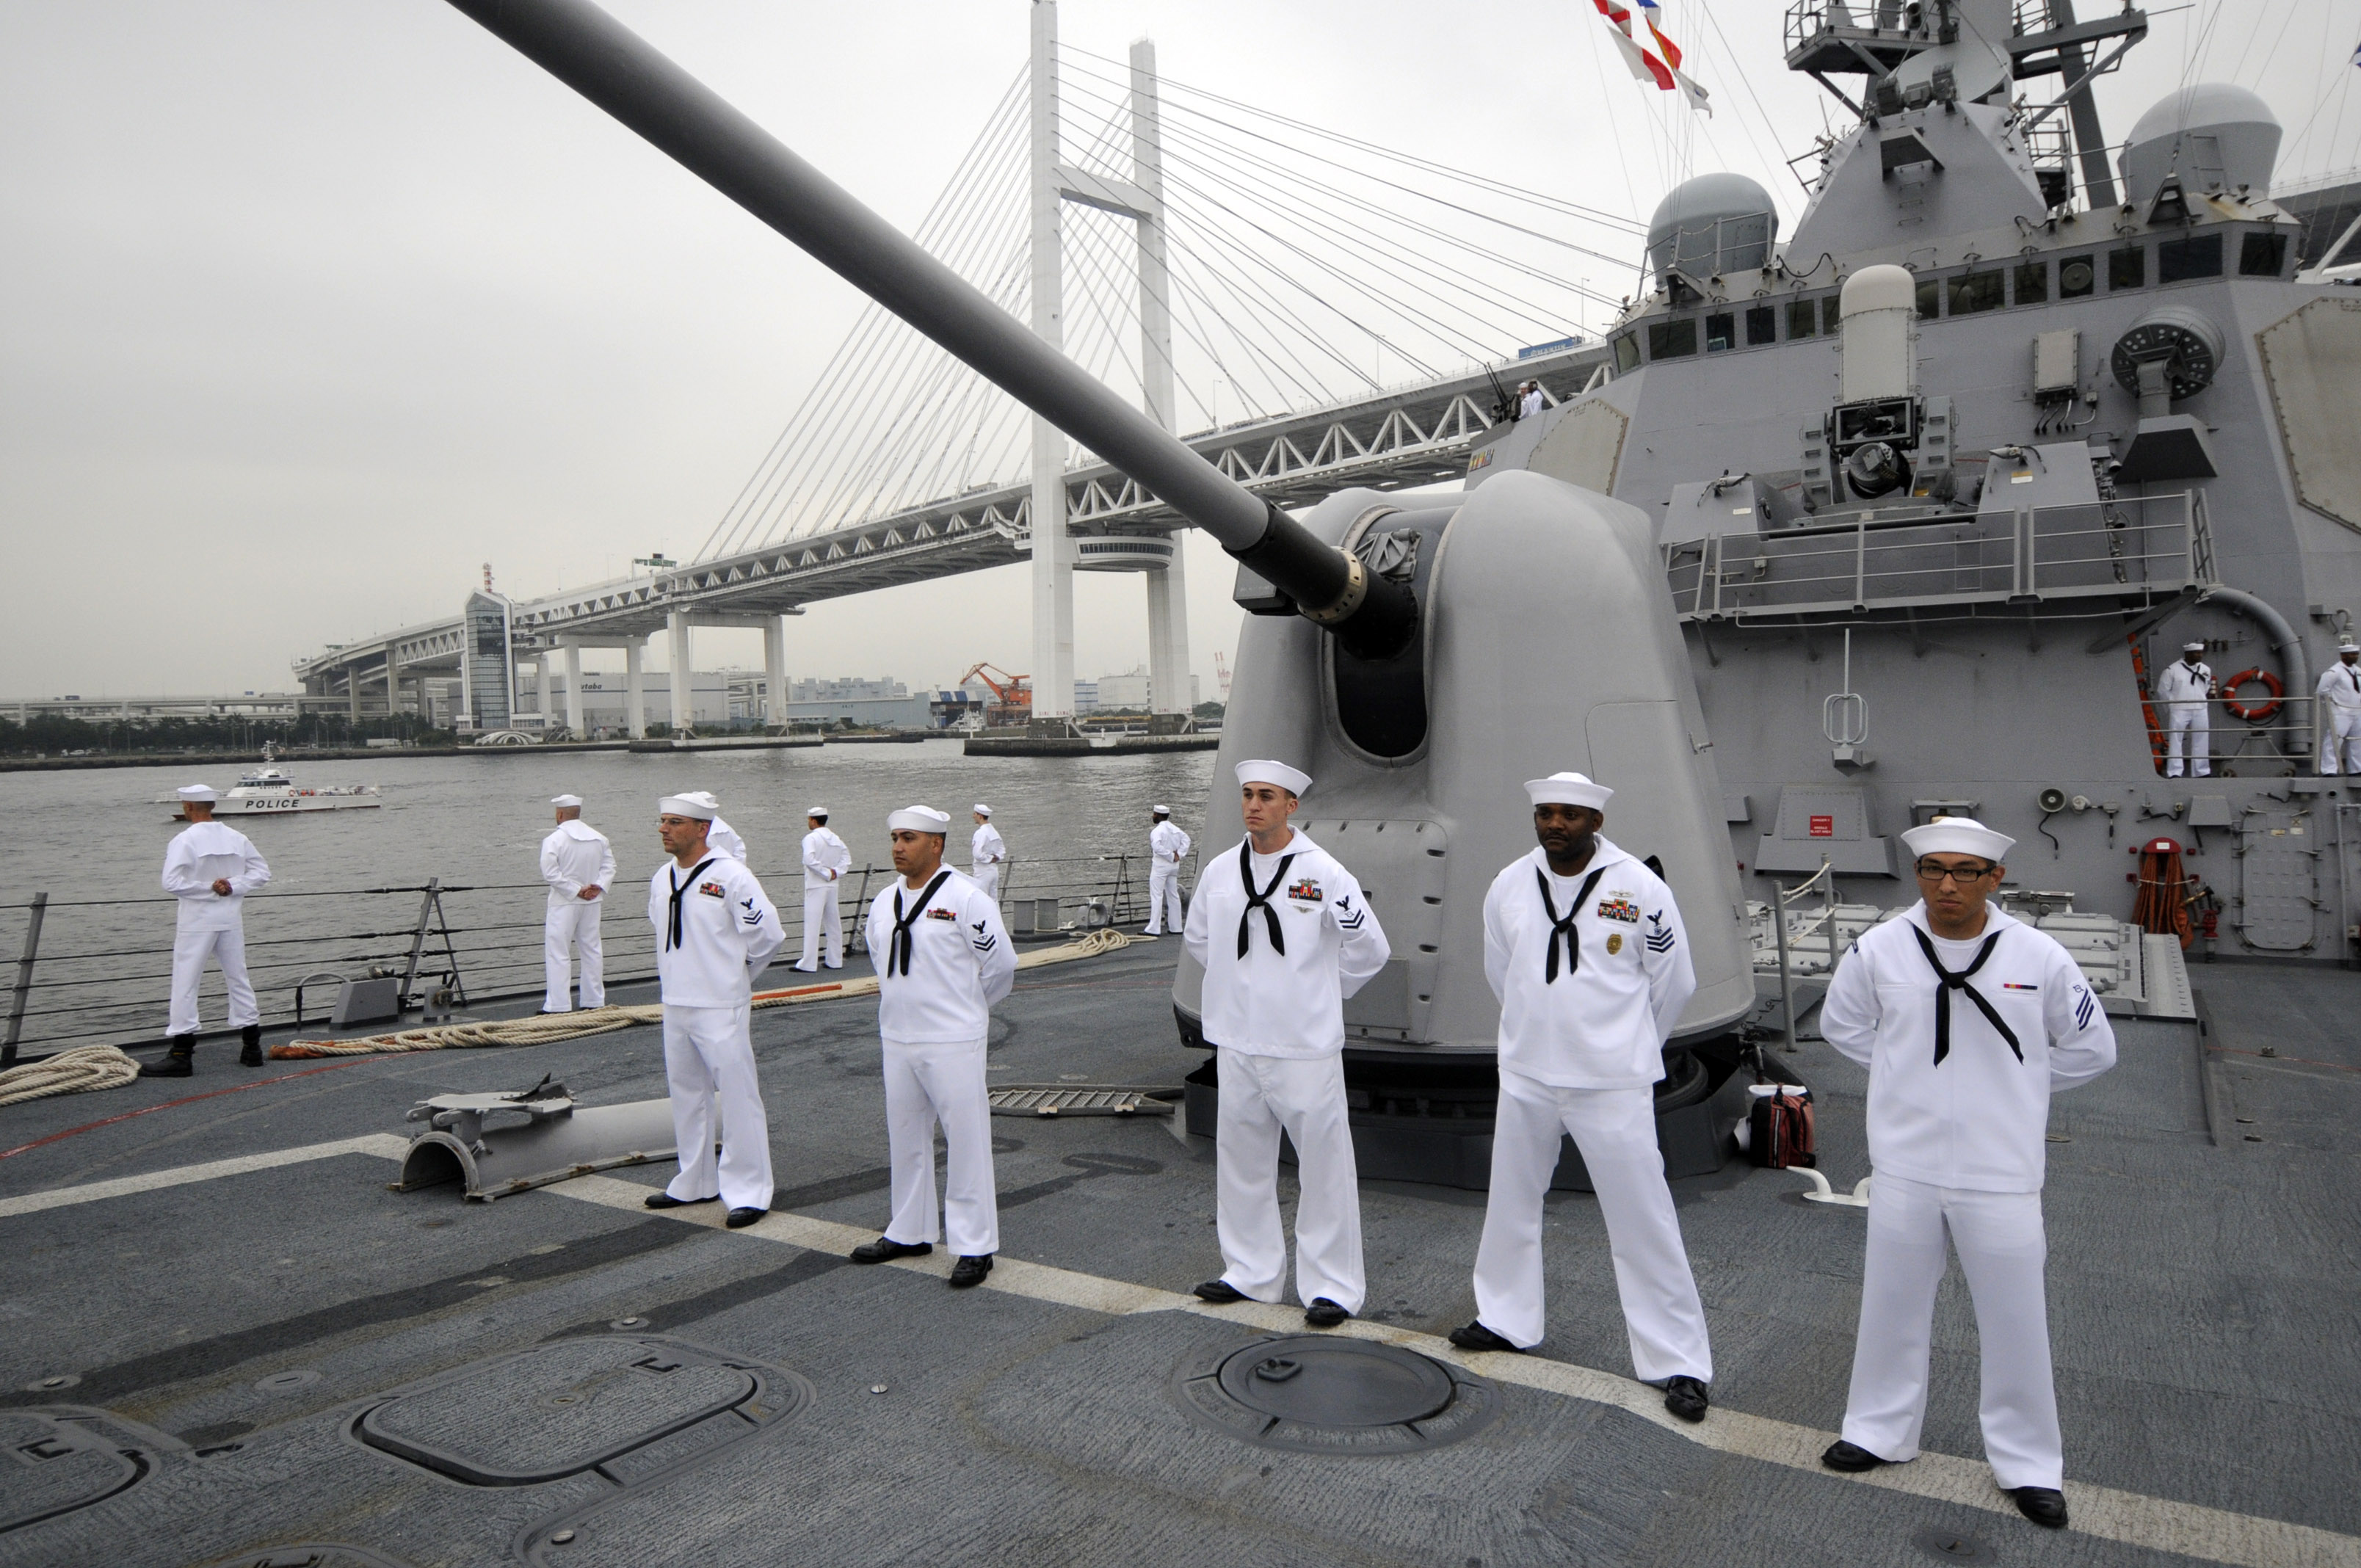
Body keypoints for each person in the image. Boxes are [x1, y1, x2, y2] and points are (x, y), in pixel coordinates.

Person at [1816, 816, 2116, 1531]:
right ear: (1919, 876)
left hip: (2000, 1172)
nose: (1947, 885)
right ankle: (1878, 1430)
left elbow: (2091, 1048)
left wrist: (2017, 1090)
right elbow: (1843, 1026)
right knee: (1889, 1307)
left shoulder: (2040, 956)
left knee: (2017, 1324)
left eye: (1965, 872)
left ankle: (2028, 1465)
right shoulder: (1880, 948)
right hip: (1906, 1168)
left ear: (1994, 880)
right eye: (1933, 870)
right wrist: (1904, 1081)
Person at [1448, 772, 1714, 1425]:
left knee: (1642, 1220)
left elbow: (1673, 980)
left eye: (1569, 815)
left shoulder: (1640, 889)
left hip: (1611, 1082)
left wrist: (1622, 1043)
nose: (1554, 825)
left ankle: (1678, 1361)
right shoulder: (1509, 884)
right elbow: (1500, 969)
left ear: (1595, 822)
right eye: (1545, 814)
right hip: (1530, 1075)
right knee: (1510, 1204)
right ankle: (1505, 1318)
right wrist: (1537, 1030)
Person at [1183, 759, 1390, 1327]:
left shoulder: (1324, 873)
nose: (1253, 805)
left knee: (1324, 1167)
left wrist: (1314, 994)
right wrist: (1242, 992)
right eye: (1248, 795)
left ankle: (1333, 1287)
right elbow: (1201, 938)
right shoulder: (1222, 871)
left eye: (1266, 796)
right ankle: (1249, 1272)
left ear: (1291, 806)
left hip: (1303, 1046)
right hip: (1238, 1040)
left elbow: (1369, 948)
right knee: (1242, 1161)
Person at [849, 805, 1016, 1289]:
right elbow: (881, 961)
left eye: (909, 838)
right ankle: (909, 1230)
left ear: (937, 844)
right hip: (898, 1036)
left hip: (953, 1039)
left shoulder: (966, 898)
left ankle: (975, 1245)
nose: (898, 846)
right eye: (896, 837)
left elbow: (1001, 964)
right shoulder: (884, 902)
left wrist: (967, 1010)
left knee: (966, 1142)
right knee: (905, 1136)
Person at [644, 792, 786, 1229]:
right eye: (663, 821)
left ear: (702, 829)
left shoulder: (731, 876)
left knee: (739, 1097)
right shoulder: (661, 879)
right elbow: (660, 927)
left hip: (720, 1004)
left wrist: (736, 975)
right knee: (687, 1094)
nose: (664, 829)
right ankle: (696, 1180)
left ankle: (749, 1191)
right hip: (677, 1002)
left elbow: (769, 936)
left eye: (675, 822)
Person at [147, 785, 271, 1077]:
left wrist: (208, 888)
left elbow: (172, 882)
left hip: (197, 921)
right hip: (230, 918)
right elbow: (262, 872)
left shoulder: (184, 840)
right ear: (212, 806)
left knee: (185, 983)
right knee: (239, 978)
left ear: (188, 807)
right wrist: (231, 886)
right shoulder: (236, 837)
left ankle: (181, 1053)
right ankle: (252, 1047)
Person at [540, 794, 615, 1014]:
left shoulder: (554, 840)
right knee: (592, 949)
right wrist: (597, 886)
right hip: (593, 901)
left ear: (560, 814)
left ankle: (558, 1004)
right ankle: (593, 1000)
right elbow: (610, 866)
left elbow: (550, 873)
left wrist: (575, 890)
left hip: (564, 902)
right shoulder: (599, 838)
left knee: (558, 951)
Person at [796, 805, 852, 971]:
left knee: (813, 924)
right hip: (833, 885)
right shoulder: (836, 838)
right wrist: (836, 872)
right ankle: (835, 960)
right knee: (834, 924)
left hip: (816, 884)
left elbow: (809, 859)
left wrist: (825, 872)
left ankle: (809, 963)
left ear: (813, 820)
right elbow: (847, 859)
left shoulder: (810, 838)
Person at [2156, 640, 2214, 778]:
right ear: (2188, 654)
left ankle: (2201, 771)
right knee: (2176, 740)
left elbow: (2205, 687)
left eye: (2201, 653)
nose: (2200, 655)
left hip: (2200, 708)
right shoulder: (2172, 670)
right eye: (2197, 653)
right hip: (2180, 708)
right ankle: (2175, 772)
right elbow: (2162, 690)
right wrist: (2172, 705)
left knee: (2201, 739)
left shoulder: (2205, 669)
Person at [1143, 804, 1190, 936]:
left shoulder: (1157, 831)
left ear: (1158, 815)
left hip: (1161, 866)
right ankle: (1176, 927)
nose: (1153, 816)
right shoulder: (1175, 829)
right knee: (1173, 894)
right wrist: (1179, 855)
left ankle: (1153, 928)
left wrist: (1170, 856)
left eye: (1154, 814)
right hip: (1174, 866)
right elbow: (1187, 840)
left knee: (1156, 895)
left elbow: (1157, 847)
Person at [2315, 642, 2361, 775]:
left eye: (2356, 654)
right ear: (2344, 656)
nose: (2355, 657)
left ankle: (2356, 769)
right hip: (2340, 712)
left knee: (2357, 741)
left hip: (2357, 710)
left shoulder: (2358, 672)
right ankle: (2329, 770)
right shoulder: (2334, 672)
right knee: (2334, 740)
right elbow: (2322, 690)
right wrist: (2333, 705)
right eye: (2352, 654)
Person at [969, 805, 1006, 901]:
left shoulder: (980, 833)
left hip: (982, 871)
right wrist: (996, 858)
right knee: (993, 900)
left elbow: (977, 854)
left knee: (981, 899)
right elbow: (1002, 849)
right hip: (993, 870)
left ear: (980, 816)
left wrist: (989, 859)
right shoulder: (993, 831)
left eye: (975, 814)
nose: (973, 816)